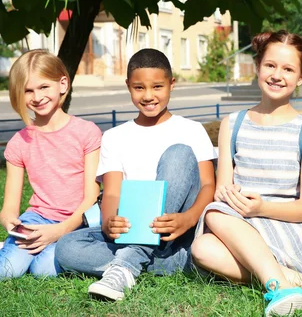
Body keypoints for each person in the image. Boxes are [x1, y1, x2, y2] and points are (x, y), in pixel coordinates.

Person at [191, 31, 302, 317]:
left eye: (288, 69)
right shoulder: (232, 124)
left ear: (301, 76)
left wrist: (262, 207)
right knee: (202, 247)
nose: (277, 75)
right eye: (270, 66)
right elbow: (221, 190)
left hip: (290, 227)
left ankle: (276, 285)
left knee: (214, 217)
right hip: (239, 222)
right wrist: (236, 201)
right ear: (258, 67)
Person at [55, 48, 216, 301]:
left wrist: (188, 219)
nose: (149, 96)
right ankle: (171, 262)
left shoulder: (192, 130)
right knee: (66, 248)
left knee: (178, 154)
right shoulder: (114, 137)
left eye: (157, 87)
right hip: (132, 229)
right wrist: (108, 223)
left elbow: (208, 185)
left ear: (171, 85)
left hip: (179, 229)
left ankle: (126, 266)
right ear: (128, 86)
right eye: (139, 88)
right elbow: (112, 192)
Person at [0, 50, 101, 279]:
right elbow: (9, 208)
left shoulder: (87, 133)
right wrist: (11, 223)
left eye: (44, 87)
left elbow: (91, 199)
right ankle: (11, 248)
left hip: (78, 221)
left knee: (43, 270)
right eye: (28, 90)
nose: (37, 96)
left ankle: (16, 249)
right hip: (37, 219)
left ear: (63, 84)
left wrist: (58, 231)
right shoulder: (18, 143)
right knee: (8, 271)